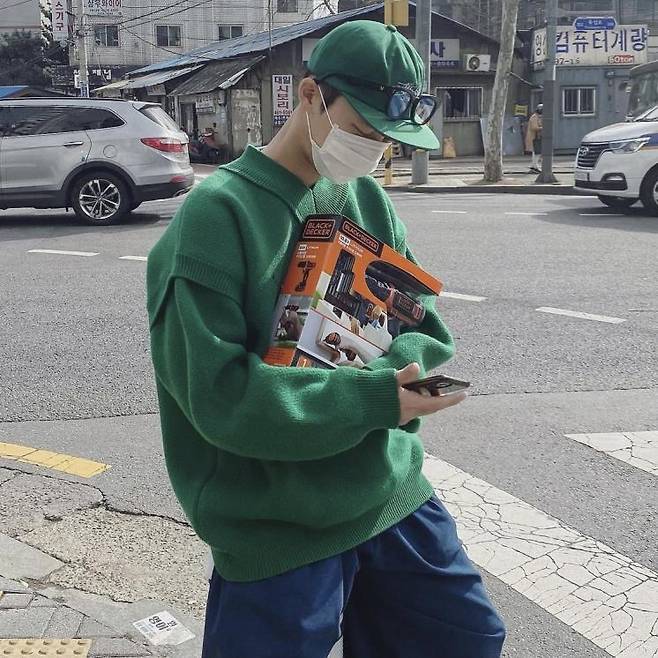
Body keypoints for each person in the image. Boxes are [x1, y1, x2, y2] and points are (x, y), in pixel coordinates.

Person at [146, 20, 505, 658]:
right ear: (310, 95)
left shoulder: (365, 199)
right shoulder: (216, 217)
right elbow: (220, 398)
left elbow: (420, 322)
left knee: (467, 638)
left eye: (387, 139)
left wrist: (405, 378)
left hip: (388, 491)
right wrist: (375, 399)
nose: (373, 151)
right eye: (364, 130)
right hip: (275, 524)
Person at [526, 103, 543, 173]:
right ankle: (534, 166)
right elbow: (534, 127)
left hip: (537, 137)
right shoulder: (534, 117)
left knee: (537, 152)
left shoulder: (538, 117)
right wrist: (542, 128)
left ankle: (534, 166)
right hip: (534, 137)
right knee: (536, 152)